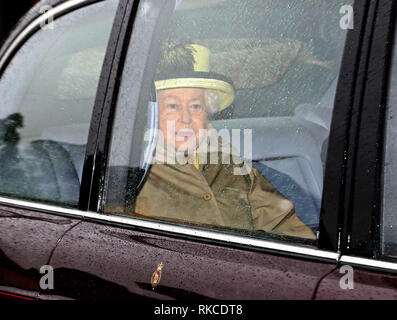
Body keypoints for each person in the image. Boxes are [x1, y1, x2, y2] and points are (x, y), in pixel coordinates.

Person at [132, 43, 315, 239]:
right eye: (173, 106)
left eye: (195, 106)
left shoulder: (231, 163)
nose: (185, 118)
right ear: (151, 114)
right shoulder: (135, 172)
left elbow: (283, 224)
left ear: (208, 112)